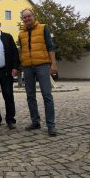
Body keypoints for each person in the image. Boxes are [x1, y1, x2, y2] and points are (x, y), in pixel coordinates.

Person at [18, 8, 58, 136]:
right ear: (22, 19)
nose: (27, 18)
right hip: (28, 67)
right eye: (24, 17)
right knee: (30, 96)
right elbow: (22, 51)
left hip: (42, 65)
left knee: (47, 95)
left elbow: (50, 46)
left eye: (29, 16)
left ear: (33, 16)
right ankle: (35, 121)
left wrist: (53, 64)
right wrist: (20, 66)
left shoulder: (43, 28)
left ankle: (51, 125)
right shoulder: (21, 34)